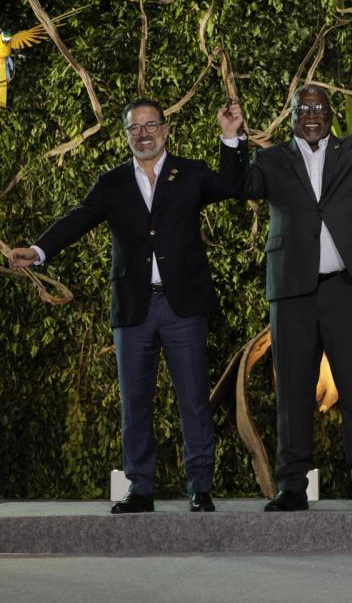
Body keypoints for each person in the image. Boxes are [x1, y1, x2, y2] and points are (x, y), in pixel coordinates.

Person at [7, 98, 246, 513]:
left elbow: (232, 185)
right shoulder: (111, 183)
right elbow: (78, 219)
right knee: (134, 403)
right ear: (126, 136)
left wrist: (230, 137)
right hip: (133, 308)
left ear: (165, 130)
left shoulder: (191, 173)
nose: (143, 134)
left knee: (193, 400)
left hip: (183, 307)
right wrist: (38, 250)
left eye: (150, 125)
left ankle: (201, 487)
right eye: (135, 128)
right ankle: (140, 489)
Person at [241, 79, 352, 512]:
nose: (311, 116)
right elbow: (241, 185)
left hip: (346, 288)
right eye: (304, 109)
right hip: (292, 292)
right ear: (292, 117)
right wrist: (232, 139)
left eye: (319, 109)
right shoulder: (270, 159)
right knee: (292, 391)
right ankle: (291, 487)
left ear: (331, 115)